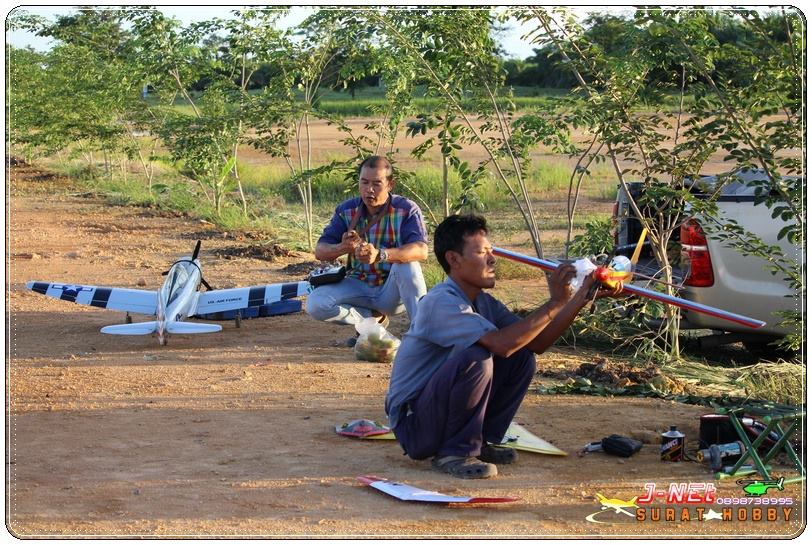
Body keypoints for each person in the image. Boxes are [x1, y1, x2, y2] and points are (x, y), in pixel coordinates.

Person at [385, 214, 622, 479]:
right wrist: (555, 302)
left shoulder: (484, 302)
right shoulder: (440, 302)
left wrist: (580, 297)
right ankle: (454, 452)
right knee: (477, 358)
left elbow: (537, 342)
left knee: (522, 357)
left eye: (491, 251)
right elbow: (502, 344)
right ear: (454, 259)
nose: (492, 259)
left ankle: (479, 441)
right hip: (415, 426)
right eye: (481, 252)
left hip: (433, 416)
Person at [306, 156, 428, 342]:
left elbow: (421, 250)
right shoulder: (346, 210)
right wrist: (342, 247)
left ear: (390, 185)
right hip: (357, 283)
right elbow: (320, 251)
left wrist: (381, 255)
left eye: (376, 184)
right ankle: (371, 319)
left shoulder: (406, 209)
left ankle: (423, 334)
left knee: (408, 266)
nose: (369, 189)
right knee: (316, 304)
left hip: (391, 292)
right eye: (364, 182)